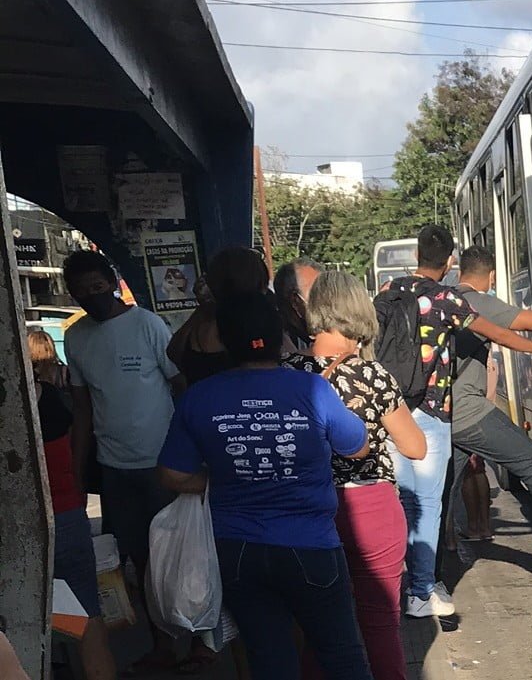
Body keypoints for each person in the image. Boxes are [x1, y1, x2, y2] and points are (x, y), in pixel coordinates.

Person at [157, 293, 374, 680]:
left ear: (224, 340)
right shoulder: (312, 390)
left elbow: (172, 475)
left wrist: (223, 476)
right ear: (280, 338)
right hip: (312, 546)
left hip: (237, 551)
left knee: (270, 658)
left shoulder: (198, 398)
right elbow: (357, 447)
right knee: (341, 655)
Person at [376, 225, 532, 618]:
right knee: (432, 501)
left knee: (416, 501)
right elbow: (499, 332)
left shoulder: (390, 291)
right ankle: (420, 591)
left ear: (416, 255)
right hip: (435, 412)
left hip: (396, 410)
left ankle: (415, 581)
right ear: (448, 262)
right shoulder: (447, 299)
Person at [284, 271, 426, 680]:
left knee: (319, 626)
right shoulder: (373, 377)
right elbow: (415, 447)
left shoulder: (286, 371)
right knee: (380, 623)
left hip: (306, 509)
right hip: (370, 507)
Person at [62, 250, 184, 675]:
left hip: (162, 464)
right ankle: (163, 645)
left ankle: (205, 639)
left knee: (177, 557)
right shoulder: (76, 337)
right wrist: (76, 475)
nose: (91, 297)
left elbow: (178, 385)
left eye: (97, 287)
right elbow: (82, 410)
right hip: (115, 469)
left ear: (112, 282)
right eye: (81, 292)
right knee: (133, 562)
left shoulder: (147, 324)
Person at [447, 247, 532, 549]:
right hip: (469, 411)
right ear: (491, 276)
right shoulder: (479, 302)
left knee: (446, 489)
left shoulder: (445, 298)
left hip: (444, 412)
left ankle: (430, 560)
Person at [28, 330, 116, 680]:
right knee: (86, 617)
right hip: (66, 515)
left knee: (24, 622)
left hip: (21, 526)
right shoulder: (48, 397)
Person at [169, 247, 271, 386]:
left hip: (203, 402)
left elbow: (173, 352)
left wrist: (205, 306)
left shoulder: (204, 320)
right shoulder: (257, 323)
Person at [274, 257, 323, 354]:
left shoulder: (327, 331)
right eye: (316, 290)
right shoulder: (279, 340)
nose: (325, 296)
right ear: (295, 300)